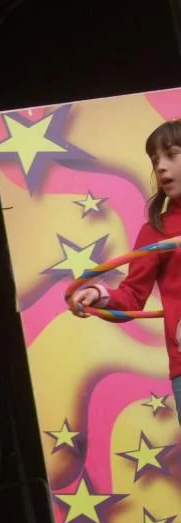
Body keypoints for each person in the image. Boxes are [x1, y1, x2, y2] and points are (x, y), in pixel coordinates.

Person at [70, 120, 181, 420]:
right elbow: (132, 296)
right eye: (155, 160)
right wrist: (99, 294)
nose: (161, 167)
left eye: (171, 154)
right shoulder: (156, 232)